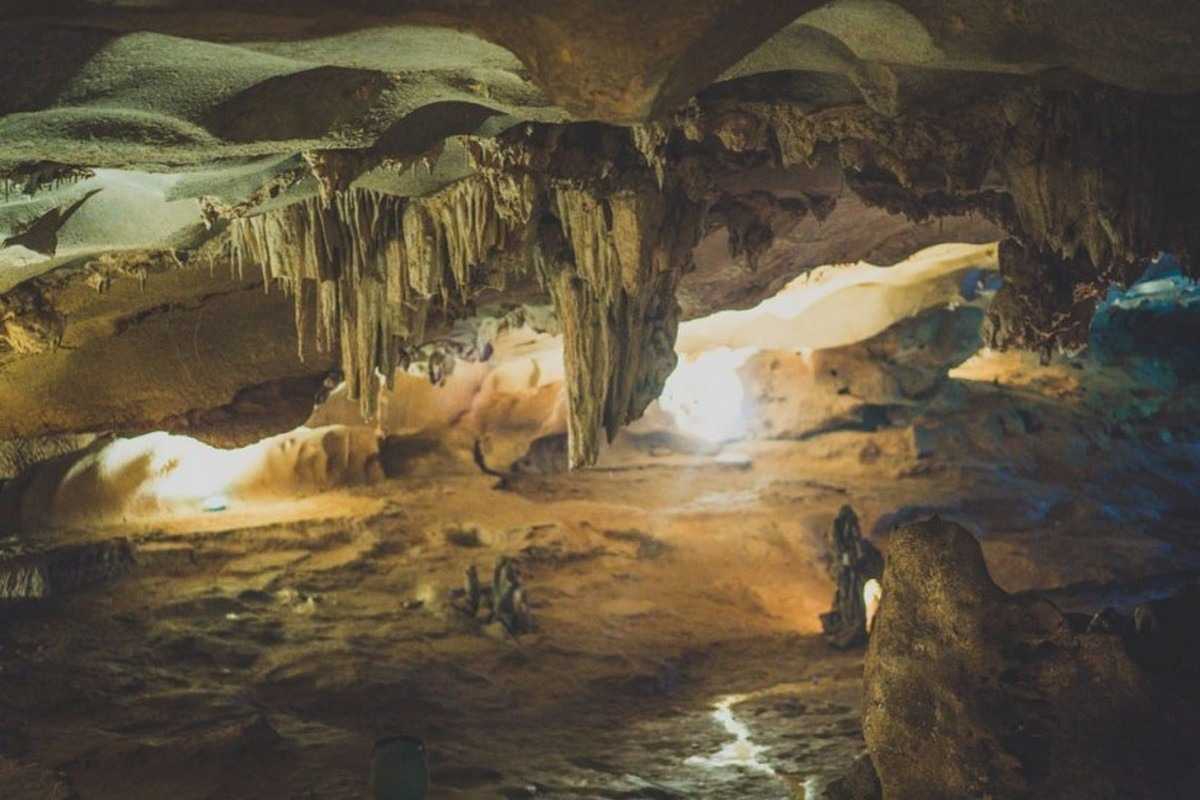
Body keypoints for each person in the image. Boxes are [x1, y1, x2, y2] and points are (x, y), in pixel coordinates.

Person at [820, 505, 884, 649]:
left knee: (856, 608)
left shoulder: (856, 544)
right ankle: (850, 634)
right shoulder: (841, 546)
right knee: (849, 608)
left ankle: (856, 632)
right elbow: (840, 564)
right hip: (848, 582)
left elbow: (862, 559)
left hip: (854, 581)